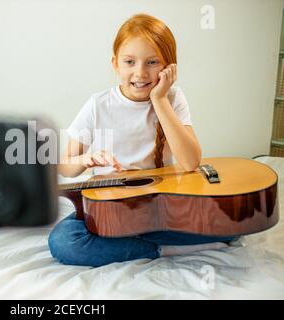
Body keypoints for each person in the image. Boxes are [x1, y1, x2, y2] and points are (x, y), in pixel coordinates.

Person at [49, 13, 235, 267]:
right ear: (115, 64)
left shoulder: (173, 98)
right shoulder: (98, 105)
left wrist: (159, 100)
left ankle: (132, 238)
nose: (140, 73)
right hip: (111, 209)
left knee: (234, 222)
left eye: (152, 62)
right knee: (64, 242)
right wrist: (85, 158)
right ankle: (164, 249)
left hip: (159, 207)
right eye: (129, 62)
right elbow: (66, 166)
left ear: (169, 67)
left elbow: (191, 161)